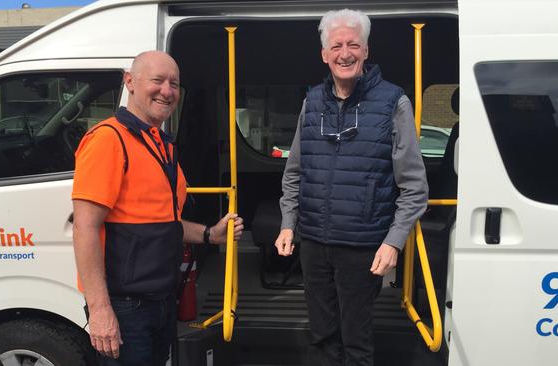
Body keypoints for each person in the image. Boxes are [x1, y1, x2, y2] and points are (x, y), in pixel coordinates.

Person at [274, 9, 428, 366]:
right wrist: (287, 223)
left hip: (362, 245)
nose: (345, 53)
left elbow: (415, 187)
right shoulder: (312, 101)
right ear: (324, 54)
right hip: (313, 242)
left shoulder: (393, 102)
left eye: (353, 45)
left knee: (356, 340)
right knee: (322, 336)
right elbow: (295, 171)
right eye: (337, 45)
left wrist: (394, 241)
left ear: (366, 51)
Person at [72, 50, 244, 366]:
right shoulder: (109, 140)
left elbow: (165, 221)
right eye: (158, 81)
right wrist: (99, 309)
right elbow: (85, 227)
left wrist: (210, 234)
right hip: (125, 307)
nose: (167, 91)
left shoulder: (161, 145)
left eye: (174, 84)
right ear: (130, 82)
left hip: (161, 301)